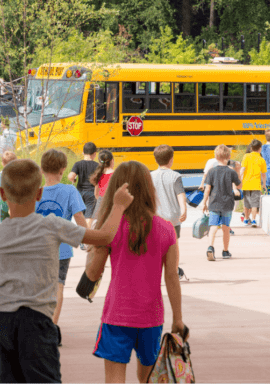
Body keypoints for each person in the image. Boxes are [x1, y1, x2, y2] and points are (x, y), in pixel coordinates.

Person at [0, 159, 134, 383]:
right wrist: (118, 206)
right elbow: (105, 237)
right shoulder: (52, 225)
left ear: (1, 193)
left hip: (3, 323)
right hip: (38, 322)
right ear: (39, 193)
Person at [86, 161, 186, 383]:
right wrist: (177, 318)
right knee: (148, 378)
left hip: (117, 315)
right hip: (151, 317)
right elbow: (171, 277)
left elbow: (93, 273)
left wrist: (94, 244)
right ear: (149, 189)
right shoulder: (166, 228)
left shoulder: (110, 229)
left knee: (114, 378)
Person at [36, 149, 88, 346]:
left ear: (41, 169)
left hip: (38, 249)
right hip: (62, 249)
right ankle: (51, 327)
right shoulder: (69, 191)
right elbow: (79, 218)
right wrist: (89, 241)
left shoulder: (36, 192)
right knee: (58, 286)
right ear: (63, 169)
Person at [150, 145, 188, 278]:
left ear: (156, 160)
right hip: (173, 218)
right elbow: (180, 194)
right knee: (174, 245)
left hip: (156, 218)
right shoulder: (175, 176)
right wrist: (184, 209)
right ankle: (174, 271)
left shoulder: (150, 176)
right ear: (171, 159)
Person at [199, 145, 241, 261]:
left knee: (213, 226)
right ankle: (225, 251)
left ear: (216, 156)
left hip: (214, 203)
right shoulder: (231, 171)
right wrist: (238, 171)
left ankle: (210, 247)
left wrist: (204, 203)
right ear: (228, 156)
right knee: (225, 228)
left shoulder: (211, 171)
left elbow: (207, 189)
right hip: (227, 204)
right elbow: (239, 185)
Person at [68, 142, 99, 230]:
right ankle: (86, 239)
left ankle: (79, 237)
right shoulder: (97, 165)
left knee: (79, 216)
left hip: (79, 193)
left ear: (83, 152)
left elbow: (70, 176)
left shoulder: (78, 164)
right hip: (91, 194)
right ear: (94, 154)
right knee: (89, 216)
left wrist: (73, 180)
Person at [241, 139, 267, 227]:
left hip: (246, 184)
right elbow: (263, 174)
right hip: (256, 184)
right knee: (255, 203)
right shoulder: (261, 159)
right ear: (260, 149)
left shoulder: (246, 156)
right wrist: (264, 185)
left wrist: (239, 180)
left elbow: (242, 169)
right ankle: (254, 220)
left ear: (251, 148)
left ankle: (246, 219)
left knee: (246, 203)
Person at [90, 149, 115, 221]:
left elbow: (96, 194)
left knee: (97, 225)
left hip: (100, 202)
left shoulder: (98, 174)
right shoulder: (116, 174)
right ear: (112, 161)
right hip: (112, 202)